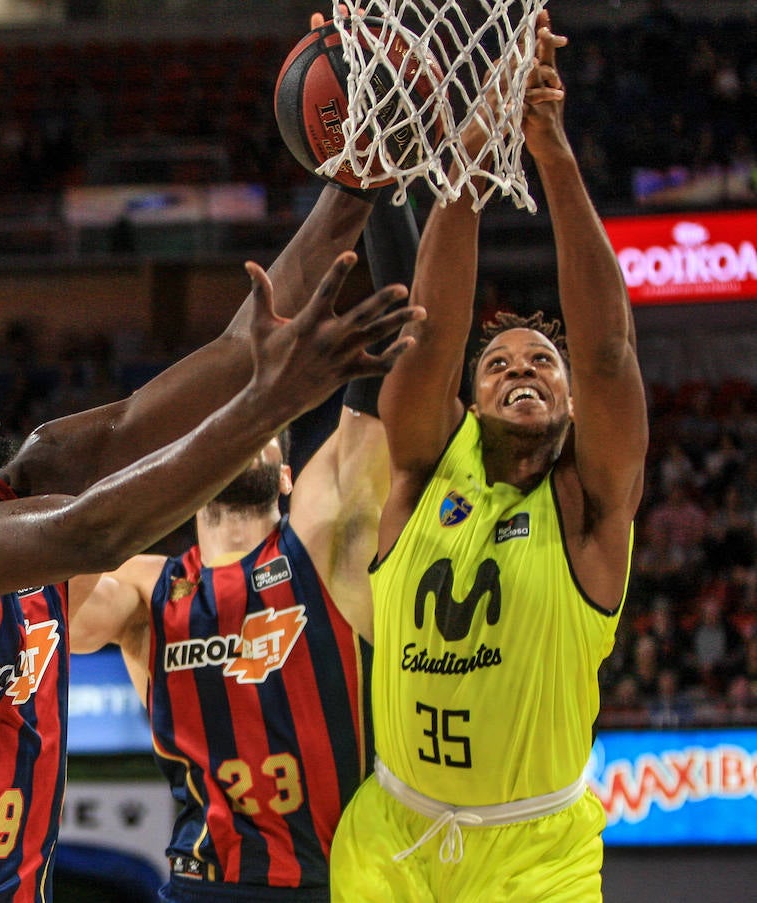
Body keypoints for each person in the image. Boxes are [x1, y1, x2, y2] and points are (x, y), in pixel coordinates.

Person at [0, 184, 424, 898]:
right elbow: (94, 531)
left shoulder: (28, 483)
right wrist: (272, 403)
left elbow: (237, 350)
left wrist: (355, 185)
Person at [329, 14, 648, 902]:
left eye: (541, 364)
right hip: (391, 835)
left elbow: (611, 352)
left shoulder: (591, 503)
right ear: (469, 402)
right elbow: (428, 336)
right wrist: (466, 168)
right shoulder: (424, 468)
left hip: (535, 854)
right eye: (498, 363)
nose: (520, 370)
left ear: (571, 399)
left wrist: (552, 154)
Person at [68, 197, 420, 902]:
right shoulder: (146, 588)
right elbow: (59, 605)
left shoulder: (325, 540)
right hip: (209, 883)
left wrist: (384, 185)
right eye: (221, 426)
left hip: (341, 882)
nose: (240, 430)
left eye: (257, 422)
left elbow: (410, 341)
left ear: (289, 473)